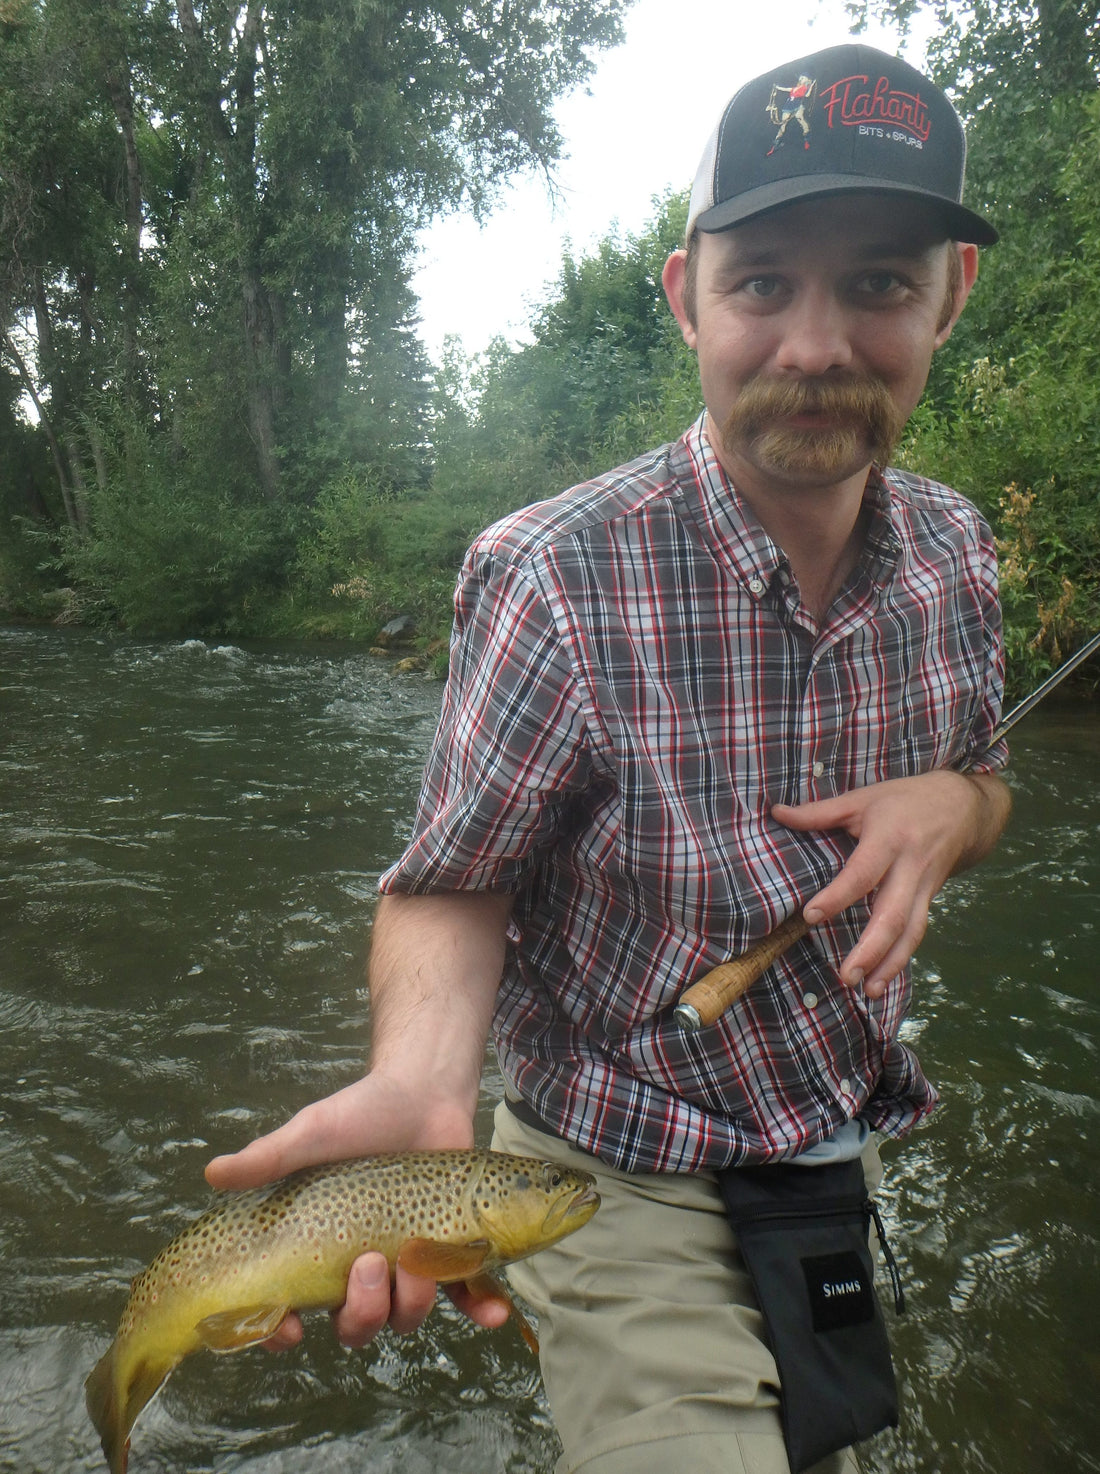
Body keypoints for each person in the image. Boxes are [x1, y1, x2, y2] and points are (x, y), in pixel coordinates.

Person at [208, 42, 1012, 1474]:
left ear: (949, 297)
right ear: (684, 296)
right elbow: (455, 884)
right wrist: (421, 1079)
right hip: (610, 1170)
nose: (816, 342)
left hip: (837, 1137)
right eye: (762, 280)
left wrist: (953, 804)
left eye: (879, 282)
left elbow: (990, 779)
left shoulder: (957, 553)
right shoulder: (552, 576)